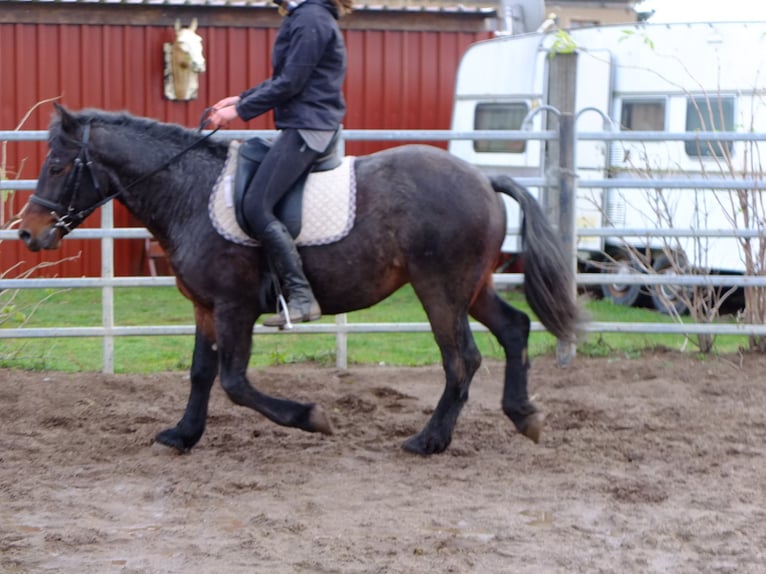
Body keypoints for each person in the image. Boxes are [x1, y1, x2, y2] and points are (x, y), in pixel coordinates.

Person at [207, 0, 353, 328]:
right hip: (303, 124)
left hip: (308, 127)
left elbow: (291, 83)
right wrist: (242, 98)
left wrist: (238, 112)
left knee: (257, 205)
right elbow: (284, 78)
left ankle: (301, 295)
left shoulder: (311, 18)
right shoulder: (305, 16)